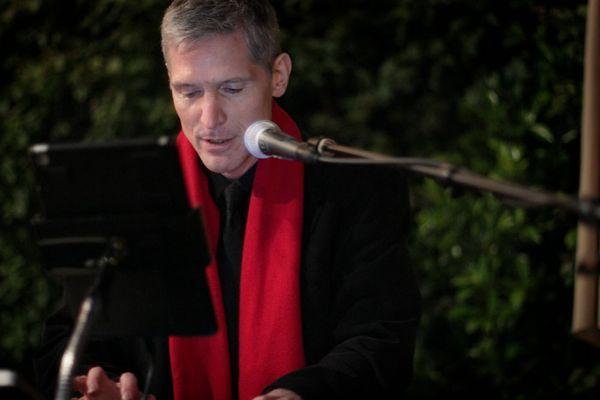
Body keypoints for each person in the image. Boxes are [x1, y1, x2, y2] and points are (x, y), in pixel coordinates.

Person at [34, 1, 421, 399]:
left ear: (278, 75)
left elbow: (382, 344)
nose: (209, 118)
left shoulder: (353, 188)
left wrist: (295, 395)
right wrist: (94, 384)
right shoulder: (128, 195)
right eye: (189, 92)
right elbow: (66, 343)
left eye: (231, 88)